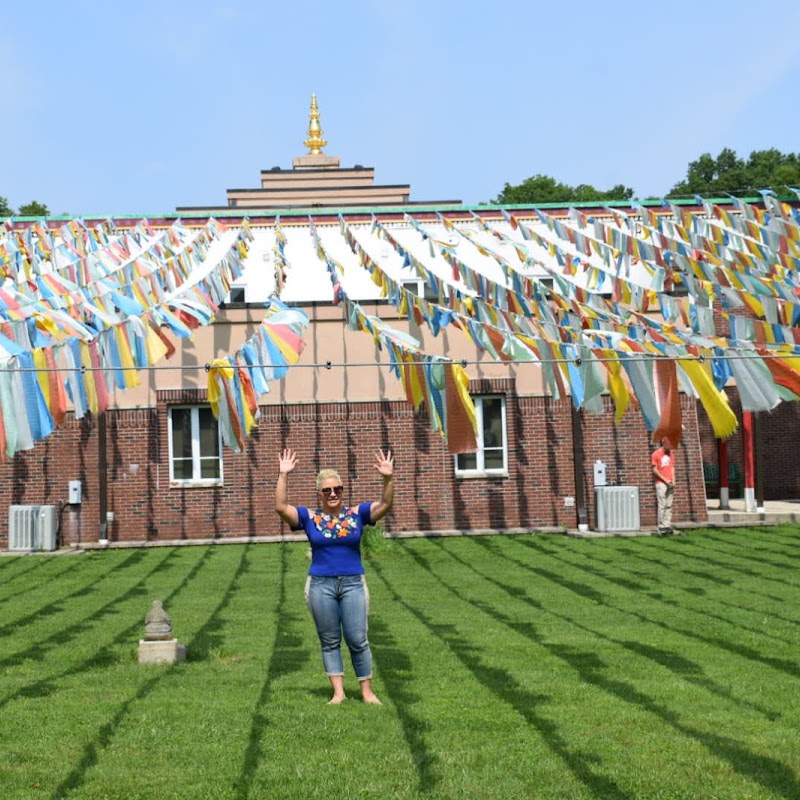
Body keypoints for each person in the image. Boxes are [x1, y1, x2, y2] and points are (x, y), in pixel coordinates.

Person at [275, 447, 394, 705]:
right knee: (329, 640)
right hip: (320, 585)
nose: (332, 494)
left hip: (353, 583)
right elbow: (281, 507)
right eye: (327, 490)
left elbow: (385, 505)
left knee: (357, 638)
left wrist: (387, 479)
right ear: (319, 494)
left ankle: (367, 692)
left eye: (337, 489)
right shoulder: (309, 517)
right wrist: (283, 475)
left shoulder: (357, 514)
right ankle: (338, 693)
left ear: (342, 491)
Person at [651, 439, 675, 534]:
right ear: (663, 443)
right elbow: (655, 470)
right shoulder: (656, 454)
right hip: (661, 483)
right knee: (662, 504)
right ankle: (661, 526)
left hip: (670, 482)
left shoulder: (671, 454)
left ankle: (667, 524)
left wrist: (673, 479)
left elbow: (672, 467)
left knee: (669, 505)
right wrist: (665, 480)